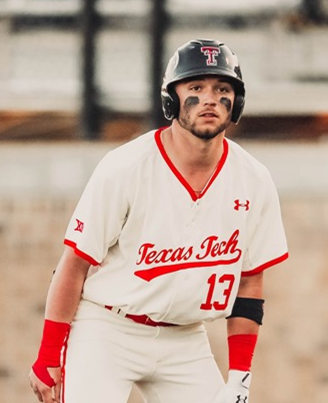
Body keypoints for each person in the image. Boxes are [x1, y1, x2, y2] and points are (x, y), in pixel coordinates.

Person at [29, 38, 288, 403]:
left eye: (222, 88)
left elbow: (249, 282)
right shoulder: (126, 167)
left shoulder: (254, 179)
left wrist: (240, 377)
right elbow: (73, 265)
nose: (211, 98)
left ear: (237, 102)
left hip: (185, 338)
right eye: (196, 87)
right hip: (108, 329)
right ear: (171, 99)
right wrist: (49, 354)